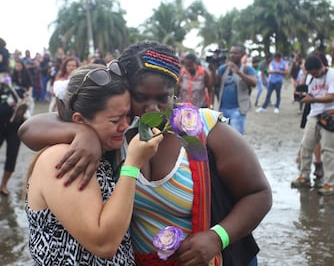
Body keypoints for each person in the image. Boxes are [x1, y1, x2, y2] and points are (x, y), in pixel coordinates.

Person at [19, 41, 272, 266]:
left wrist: (218, 236)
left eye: (163, 98)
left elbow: (258, 193)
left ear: (175, 91)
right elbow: (30, 128)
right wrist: (80, 134)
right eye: (141, 98)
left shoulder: (201, 130)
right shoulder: (117, 131)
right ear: (126, 91)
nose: (153, 109)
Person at [25, 63, 163, 265]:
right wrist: (133, 163)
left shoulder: (99, 149)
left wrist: (83, 132)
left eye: (127, 115)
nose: (125, 126)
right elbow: (104, 244)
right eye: (116, 120)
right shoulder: (63, 157)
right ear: (79, 119)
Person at [291, 55, 334, 196]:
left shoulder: (332, 74)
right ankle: (304, 177)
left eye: (315, 73)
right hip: (314, 115)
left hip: (330, 115)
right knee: (305, 146)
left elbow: (332, 96)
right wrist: (301, 94)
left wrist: (313, 99)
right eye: (311, 73)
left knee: (328, 151)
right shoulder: (309, 77)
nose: (314, 76)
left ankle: (330, 183)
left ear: (322, 67)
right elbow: (309, 92)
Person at [216, 45, 256, 135]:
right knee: (224, 137)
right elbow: (215, 83)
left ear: (242, 55)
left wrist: (238, 72)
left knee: (236, 136)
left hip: (238, 109)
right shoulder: (224, 68)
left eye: (235, 53)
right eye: (231, 53)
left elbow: (254, 82)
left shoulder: (247, 69)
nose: (232, 55)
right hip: (222, 108)